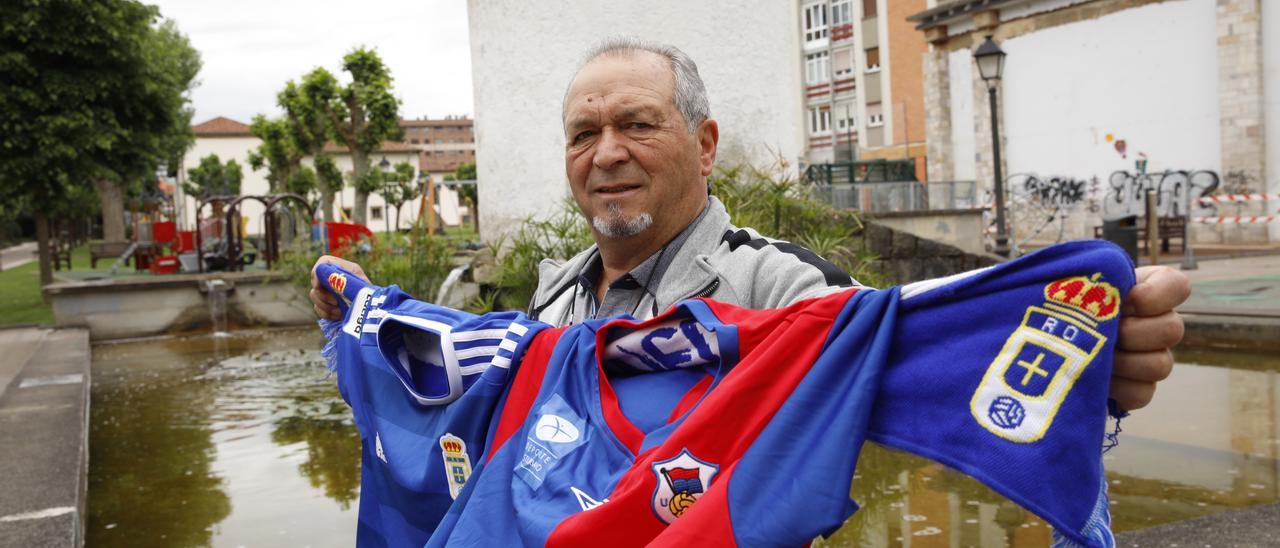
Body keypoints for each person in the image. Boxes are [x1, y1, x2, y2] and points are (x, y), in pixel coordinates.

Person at [311, 37, 1188, 412]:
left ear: (704, 142)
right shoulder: (553, 291)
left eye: (637, 125)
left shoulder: (777, 284)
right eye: (584, 134)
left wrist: (1081, 364)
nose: (606, 153)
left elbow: (907, 361)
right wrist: (370, 334)